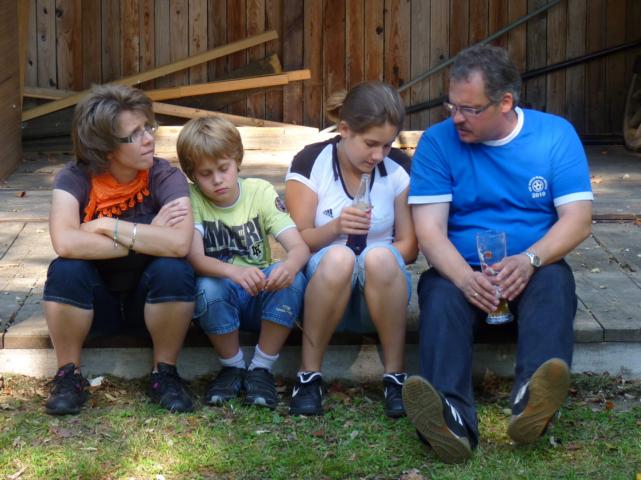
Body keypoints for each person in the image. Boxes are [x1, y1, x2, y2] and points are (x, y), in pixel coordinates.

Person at [403, 44, 593, 463]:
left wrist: (529, 260)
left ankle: (532, 405)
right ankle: (450, 419)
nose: (456, 118)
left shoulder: (555, 135)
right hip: (462, 269)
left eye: (470, 109)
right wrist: (464, 278)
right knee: (438, 291)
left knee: (555, 282)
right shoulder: (436, 143)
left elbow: (578, 220)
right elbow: (430, 233)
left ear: (505, 102)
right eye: (452, 105)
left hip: (532, 266)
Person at [43, 84, 196, 415]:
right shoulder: (74, 178)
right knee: (66, 268)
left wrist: (107, 225)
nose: (149, 139)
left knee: (175, 268)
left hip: (149, 302)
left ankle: (165, 373)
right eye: (134, 134)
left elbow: (179, 243)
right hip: (96, 306)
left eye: (148, 127)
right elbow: (66, 242)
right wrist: (149, 235)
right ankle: (68, 375)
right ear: (105, 148)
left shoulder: (165, 175)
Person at [285, 81, 417, 418]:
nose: (378, 155)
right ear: (344, 129)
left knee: (379, 257)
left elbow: (410, 246)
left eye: (387, 145)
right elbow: (295, 241)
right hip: (325, 293)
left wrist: (371, 259)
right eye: (370, 144)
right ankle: (308, 376)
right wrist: (336, 228)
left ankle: (396, 376)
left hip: (381, 292)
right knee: (339, 256)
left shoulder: (398, 168)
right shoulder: (311, 161)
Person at [177, 116, 309, 408]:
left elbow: (299, 247)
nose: (217, 180)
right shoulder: (193, 199)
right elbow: (195, 257)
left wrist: (288, 266)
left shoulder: (259, 191)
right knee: (207, 285)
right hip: (221, 297)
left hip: (262, 294)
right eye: (205, 173)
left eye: (223, 168)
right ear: (192, 175)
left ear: (237, 160)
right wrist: (233, 272)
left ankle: (261, 367)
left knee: (294, 279)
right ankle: (232, 366)